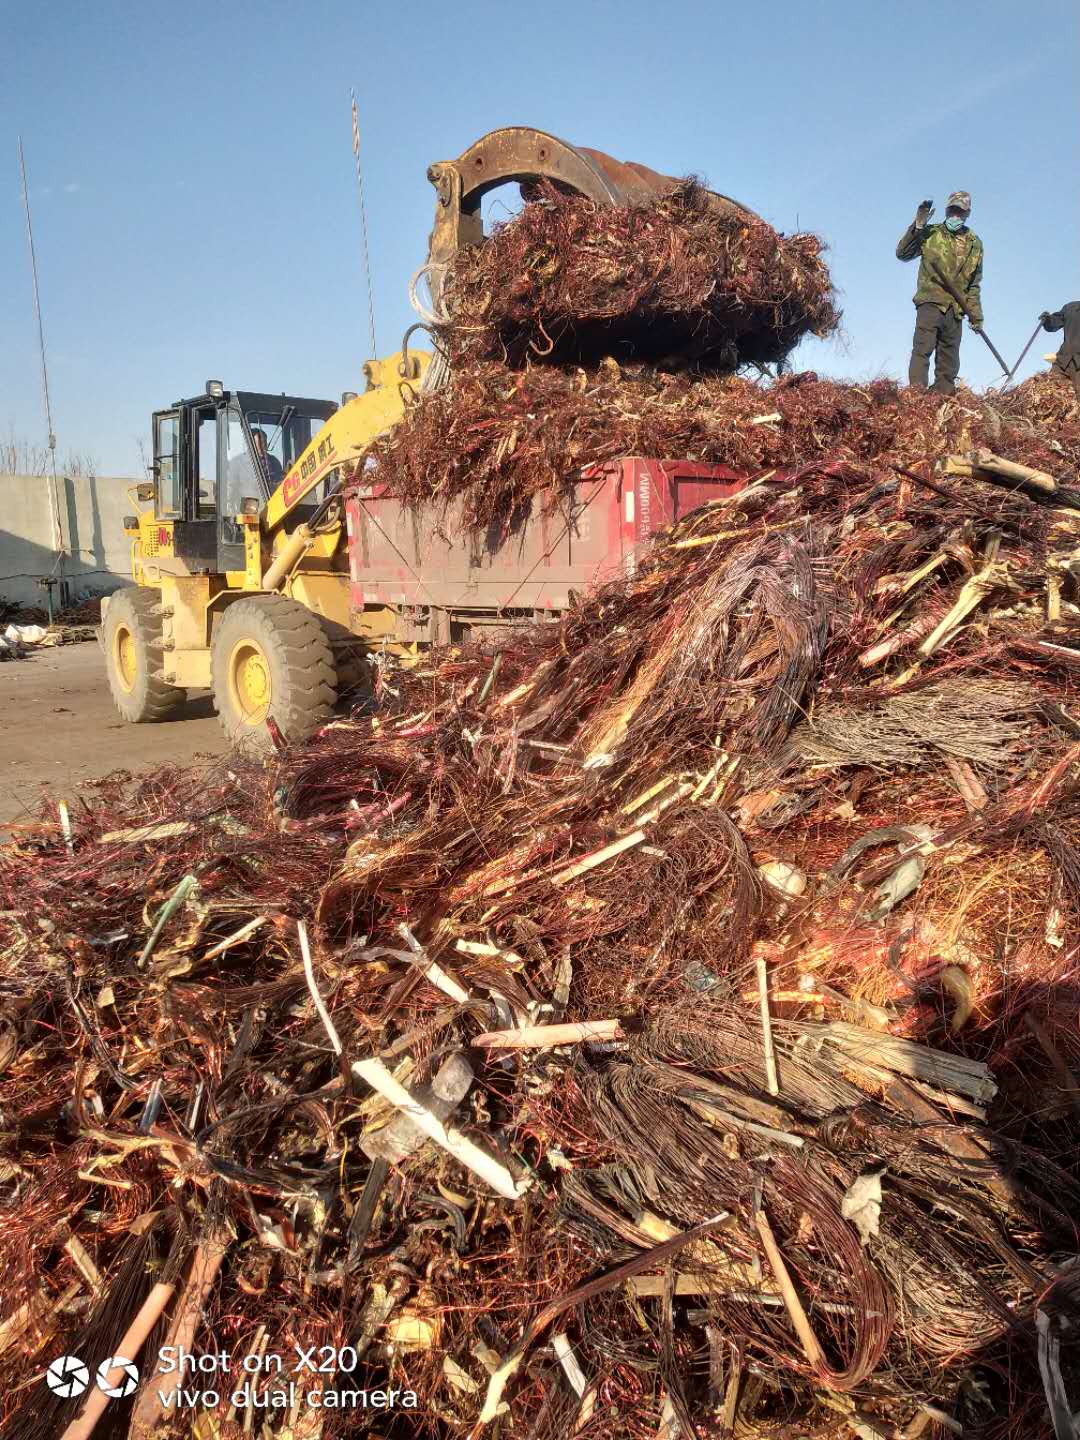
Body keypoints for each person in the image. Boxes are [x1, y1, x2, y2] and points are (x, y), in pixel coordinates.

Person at [896, 191, 984, 395]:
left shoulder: (975, 244)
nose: (955, 216)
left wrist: (976, 315)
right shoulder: (930, 233)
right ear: (946, 210)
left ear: (967, 213)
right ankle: (916, 398)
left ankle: (942, 400)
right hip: (930, 302)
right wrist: (917, 226)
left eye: (960, 212)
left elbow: (974, 284)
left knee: (949, 361)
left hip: (956, 308)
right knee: (922, 350)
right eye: (952, 210)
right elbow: (903, 254)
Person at [1040, 302, 1080, 402]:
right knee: (1047, 394)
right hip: (1063, 361)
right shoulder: (1070, 307)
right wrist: (1047, 320)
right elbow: (1054, 323)